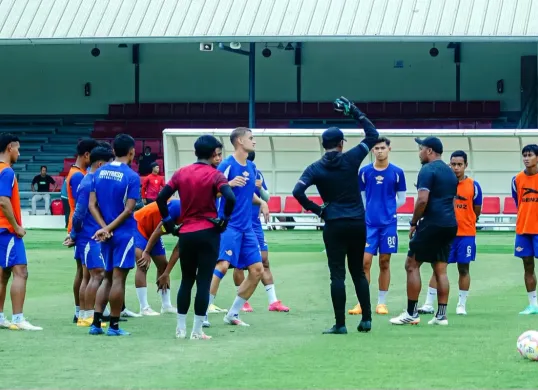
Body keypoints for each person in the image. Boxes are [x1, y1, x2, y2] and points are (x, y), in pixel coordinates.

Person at [292, 96, 379, 335]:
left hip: (334, 222)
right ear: (341, 143)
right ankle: (367, 319)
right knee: (358, 271)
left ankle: (340, 324)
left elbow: (297, 191)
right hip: (356, 221)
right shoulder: (351, 159)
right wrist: (354, 111)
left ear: (323, 145)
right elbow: (373, 135)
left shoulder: (315, 168)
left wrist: (319, 210)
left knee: (337, 274)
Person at [155, 134, 236, 340]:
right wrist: (224, 219)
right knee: (204, 281)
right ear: (212, 154)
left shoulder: (181, 173)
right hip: (209, 231)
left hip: (186, 233)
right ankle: (197, 331)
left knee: (186, 280)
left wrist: (169, 223)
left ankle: (180, 328)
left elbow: (161, 197)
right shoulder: (216, 175)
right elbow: (230, 197)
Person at [205, 127, 270, 328]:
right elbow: (209, 192)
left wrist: (262, 202)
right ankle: (203, 312)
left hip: (247, 228)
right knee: (222, 266)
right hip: (229, 225)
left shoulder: (251, 167)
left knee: (257, 270)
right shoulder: (226, 165)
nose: (254, 142)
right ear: (240, 141)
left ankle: (232, 313)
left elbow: (249, 193)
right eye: (251, 138)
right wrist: (229, 184)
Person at [390, 136, 458, 326]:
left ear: (429, 151)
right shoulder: (450, 172)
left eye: (421, 149)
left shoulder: (427, 170)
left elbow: (422, 200)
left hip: (432, 223)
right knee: (440, 269)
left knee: (411, 264)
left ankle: (411, 313)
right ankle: (441, 315)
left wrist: (413, 222)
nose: (419, 153)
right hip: (450, 223)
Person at [417, 150, 482, 316]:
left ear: (466, 165)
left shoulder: (473, 186)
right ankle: (429, 303)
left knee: (464, 268)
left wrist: (467, 221)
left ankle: (461, 304)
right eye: (453, 164)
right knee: (438, 268)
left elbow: (476, 210)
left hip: (466, 234)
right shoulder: (444, 183)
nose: (456, 168)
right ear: (449, 164)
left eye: (459, 164)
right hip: (446, 233)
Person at [88, 134, 140, 336]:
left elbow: (92, 205)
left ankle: (96, 323)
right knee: (119, 279)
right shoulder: (131, 176)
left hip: (104, 234)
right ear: (131, 152)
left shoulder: (98, 172)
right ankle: (114, 326)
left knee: (107, 278)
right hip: (123, 233)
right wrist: (109, 228)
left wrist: (103, 228)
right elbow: (128, 210)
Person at [348, 137, 406, 316]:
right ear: (372, 151)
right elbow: (363, 197)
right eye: (376, 148)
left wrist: (388, 210)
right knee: (364, 262)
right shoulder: (364, 172)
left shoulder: (397, 172)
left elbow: (402, 199)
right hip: (368, 225)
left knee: (384, 262)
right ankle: (361, 302)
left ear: (389, 149)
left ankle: (382, 303)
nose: (379, 151)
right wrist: (369, 212)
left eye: (382, 148)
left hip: (388, 225)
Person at [230, 151, 290, 313]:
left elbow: (266, 195)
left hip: (254, 223)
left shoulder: (256, 173)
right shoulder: (233, 172)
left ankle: (273, 302)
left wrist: (261, 194)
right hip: (239, 222)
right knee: (240, 265)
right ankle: (242, 302)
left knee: (264, 260)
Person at [65, 146, 115, 327]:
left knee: (88, 275)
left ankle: (84, 315)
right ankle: (87, 316)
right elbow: (79, 213)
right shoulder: (89, 183)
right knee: (97, 274)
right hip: (89, 236)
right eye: (109, 165)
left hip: (88, 235)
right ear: (101, 164)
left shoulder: (91, 180)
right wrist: (75, 234)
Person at [0, 133, 42, 331]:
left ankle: (1, 317)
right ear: (10, 147)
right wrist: (16, 226)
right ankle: (18, 318)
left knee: (3, 274)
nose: (19, 152)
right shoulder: (6, 171)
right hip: (7, 230)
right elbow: (3, 200)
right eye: (18, 148)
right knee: (21, 271)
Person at [66, 139, 100, 324]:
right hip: (83, 228)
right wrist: (74, 232)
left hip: (78, 226)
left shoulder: (74, 173)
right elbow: (81, 208)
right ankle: (83, 311)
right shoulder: (81, 176)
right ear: (87, 155)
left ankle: (81, 311)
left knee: (83, 271)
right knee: (86, 272)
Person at [132, 200, 180, 315]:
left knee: (163, 265)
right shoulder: (178, 206)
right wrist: (147, 252)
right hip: (138, 224)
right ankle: (144, 307)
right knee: (142, 263)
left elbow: (179, 246)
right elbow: (160, 229)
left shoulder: (193, 213)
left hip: (154, 230)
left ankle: (166, 305)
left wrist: (167, 272)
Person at [511, 144, 538, 315]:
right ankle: (533, 304)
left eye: (530, 155)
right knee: (528, 266)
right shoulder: (517, 179)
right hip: (523, 229)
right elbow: (517, 201)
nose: (526, 158)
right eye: (524, 155)